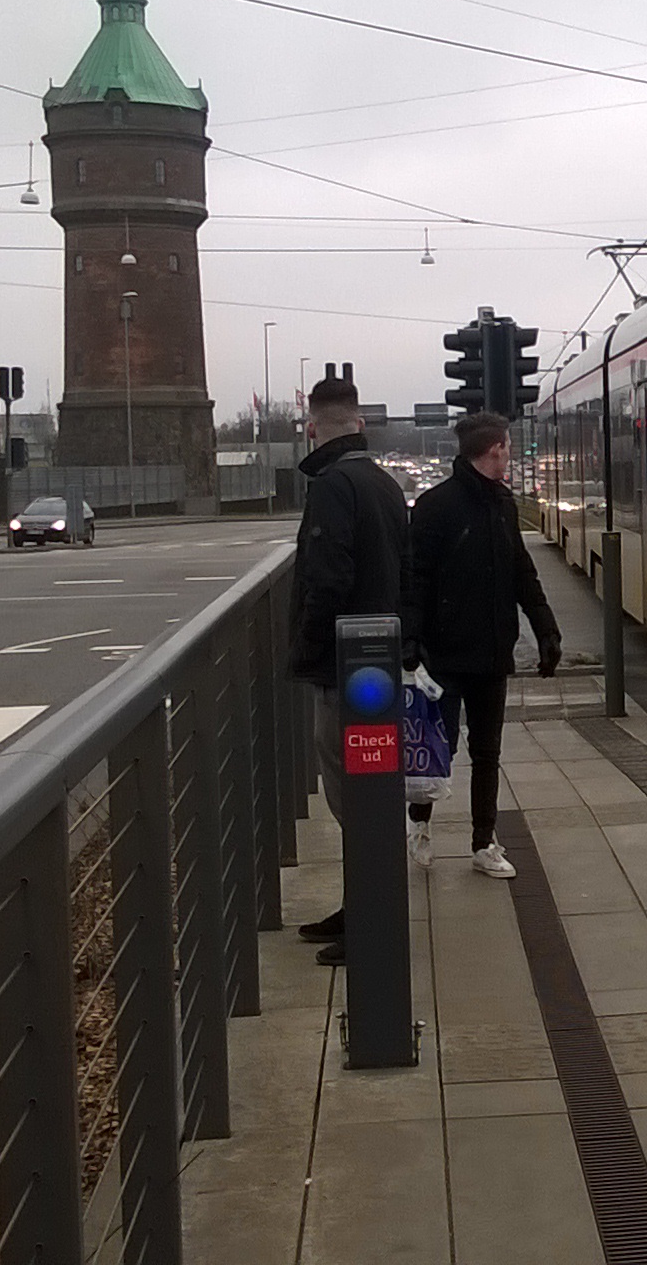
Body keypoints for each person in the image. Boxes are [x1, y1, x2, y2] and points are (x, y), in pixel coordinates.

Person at [402, 411, 562, 880]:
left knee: (488, 751)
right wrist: (411, 640)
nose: (510, 453)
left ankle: (483, 842)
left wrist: (544, 627)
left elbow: (521, 572)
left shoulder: (502, 505)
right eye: (508, 446)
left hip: (492, 651)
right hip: (445, 652)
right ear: (494, 450)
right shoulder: (435, 507)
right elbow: (415, 579)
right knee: (441, 746)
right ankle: (420, 824)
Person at [286, 377, 410, 961]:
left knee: (354, 798)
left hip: (344, 668)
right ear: (358, 424)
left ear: (313, 427)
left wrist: (307, 646)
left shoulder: (333, 487)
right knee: (367, 795)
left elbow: (326, 578)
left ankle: (372, 919)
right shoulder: (382, 483)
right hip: (375, 664)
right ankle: (361, 906)